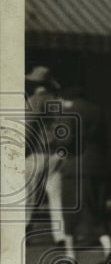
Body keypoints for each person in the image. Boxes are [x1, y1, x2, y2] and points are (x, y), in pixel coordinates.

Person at [58, 88, 111, 264]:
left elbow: (66, 140)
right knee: (97, 211)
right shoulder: (98, 110)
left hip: (76, 169)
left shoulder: (70, 111)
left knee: (70, 213)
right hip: (98, 166)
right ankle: (109, 251)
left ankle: (70, 256)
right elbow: (105, 141)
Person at [24, 65, 65, 242]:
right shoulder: (58, 101)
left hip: (36, 153)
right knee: (55, 196)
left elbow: (28, 127)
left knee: (28, 194)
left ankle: (24, 230)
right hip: (56, 154)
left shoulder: (34, 100)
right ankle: (61, 236)